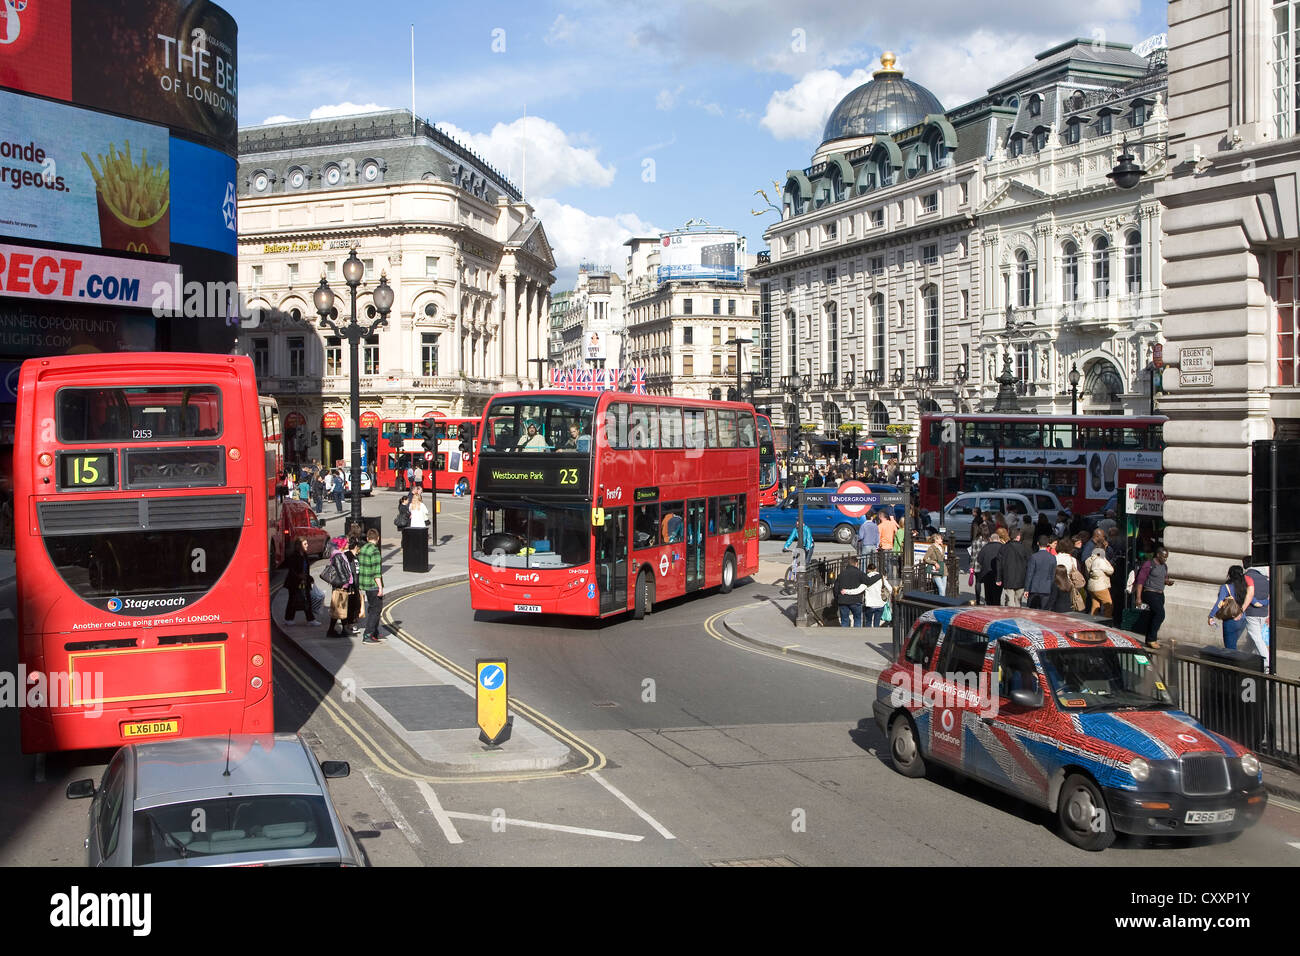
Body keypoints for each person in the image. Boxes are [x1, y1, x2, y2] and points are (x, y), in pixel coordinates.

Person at [1133, 547, 1172, 648]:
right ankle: (1152, 639)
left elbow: (1163, 578)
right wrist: (1138, 597)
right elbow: (1140, 581)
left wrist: (1167, 582)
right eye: (1164, 557)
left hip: (1160, 594)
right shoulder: (1149, 565)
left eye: (1166, 557)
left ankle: (1148, 640)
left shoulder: (1164, 566)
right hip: (1150, 592)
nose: (1165, 559)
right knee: (1160, 614)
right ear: (1158, 555)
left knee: (1153, 616)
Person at [325, 538, 361, 637]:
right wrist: (346, 584)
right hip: (341, 586)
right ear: (342, 545)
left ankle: (338, 630)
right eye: (346, 543)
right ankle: (333, 631)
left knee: (340, 608)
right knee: (339, 608)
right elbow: (341, 571)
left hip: (342, 585)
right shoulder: (338, 556)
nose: (347, 544)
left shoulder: (341, 555)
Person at [1208, 566, 1249, 651]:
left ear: (1230, 575)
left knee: (1230, 648)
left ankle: (1233, 663)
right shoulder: (1246, 587)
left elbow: (1219, 603)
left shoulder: (1226, 587)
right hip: (1243, 619)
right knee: (1233, 644)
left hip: (1231, 619)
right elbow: (1252, 599)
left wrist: (1211, 616)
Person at [357, 528, 385, 645]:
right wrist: (380, 587)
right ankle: (368, 635)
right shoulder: (374, 551)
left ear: (368, 538)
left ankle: (375, 633)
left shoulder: (363, 549)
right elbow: (376, 572)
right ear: (377, 538)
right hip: (373, 585)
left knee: (372, 608)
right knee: (376, 610)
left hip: (365, 584)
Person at [283, 538, 320, 626]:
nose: (307, 545)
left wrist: (309, 577)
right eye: (305, 544)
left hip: (304, 581)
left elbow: (306, 569)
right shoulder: (294, 556)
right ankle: (288, 619)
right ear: (299, 546)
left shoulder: (304, 555)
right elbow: (292, 570)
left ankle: (310, 619)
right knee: (293, 600)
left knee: (307, 599)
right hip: (294, 583)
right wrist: (299, 576)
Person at [1242, 562, 1271, 664]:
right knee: (1252, 639)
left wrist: (1254, 602)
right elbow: (1269, 598)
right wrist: (1262, 603)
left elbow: (1246, 594)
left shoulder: (1247, 577)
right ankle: (1243, 658)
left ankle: (1267, 664)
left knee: (1257, 639)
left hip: (1251, 613)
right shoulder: (1265, 579)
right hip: (1263, 613)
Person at [996, 528, 1031, 606]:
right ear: (1018, 536)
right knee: (1018, 600)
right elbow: (1029, 564)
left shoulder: (1004, 548)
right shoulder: (1025, 548)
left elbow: (999, 564)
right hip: (1021, 578)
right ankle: (1017, 614)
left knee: (1010, 600)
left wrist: (998, 578)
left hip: (1008, 577)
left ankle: (1010, 614)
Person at [835, 555, 869, 628]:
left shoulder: (841, 574)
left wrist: (837, 598)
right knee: (857, 619)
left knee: (844, 620)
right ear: (856, 563)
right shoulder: (860, 573)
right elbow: (867, 581)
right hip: (856, 600)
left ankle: (845, 636)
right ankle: (857, 636)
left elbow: (836, 588)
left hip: (843, 600)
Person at [1025, 535, 1057, 609]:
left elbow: (1030, 574)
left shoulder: (1034, 556)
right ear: (1048, 544)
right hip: (1046, 588)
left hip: (1034, 588)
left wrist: (1026, 589)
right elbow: (1053, 574)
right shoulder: (1052, 557)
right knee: (1043, 612)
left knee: (1031, 611)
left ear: (1038, 543)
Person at [1085, 542, 1115, 618]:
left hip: (1091, 586)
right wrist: (1104, 559)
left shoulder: (1088, 560)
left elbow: (1087, 572)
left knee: (1095, 605)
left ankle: (1092, 622)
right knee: (1108, 605)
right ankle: (1106, 622)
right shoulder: (1101, 560)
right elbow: (1111, 570)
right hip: (1101, 586)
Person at [978, 528, 1005, 607]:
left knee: (988, 595)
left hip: (987, 575)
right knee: (997, 596)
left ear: (990, 539)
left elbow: (979, 560)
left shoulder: (985, 547)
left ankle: (989, 608)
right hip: (999, 575)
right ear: (998, 539)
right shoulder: (1002, 547)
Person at [861, 562, 889, 627]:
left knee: (868, 622)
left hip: (870, 604)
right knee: (877, 623)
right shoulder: (882, 578)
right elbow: (890, 588)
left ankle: (868, 635)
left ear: (868, 570)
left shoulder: (865, 578)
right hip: (880, 604)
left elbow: (861, 589)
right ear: (876, 569)